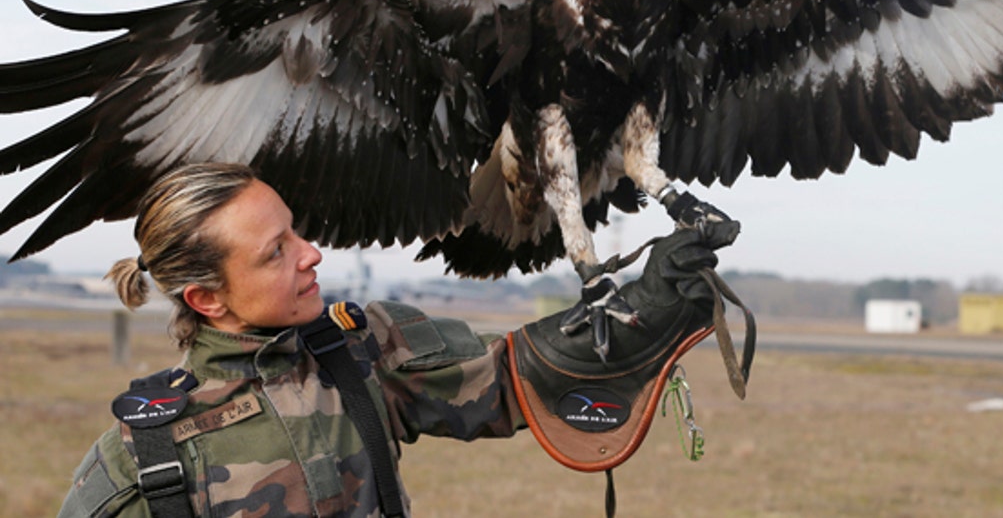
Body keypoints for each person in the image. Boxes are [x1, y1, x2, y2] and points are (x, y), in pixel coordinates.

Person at [58, 162, 739, 517]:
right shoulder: (146, 459)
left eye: (297, 229)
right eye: (276, 252)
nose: (312, 253)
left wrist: (642, 308)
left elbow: (515, 374)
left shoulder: (364, 348)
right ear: (207, 297)